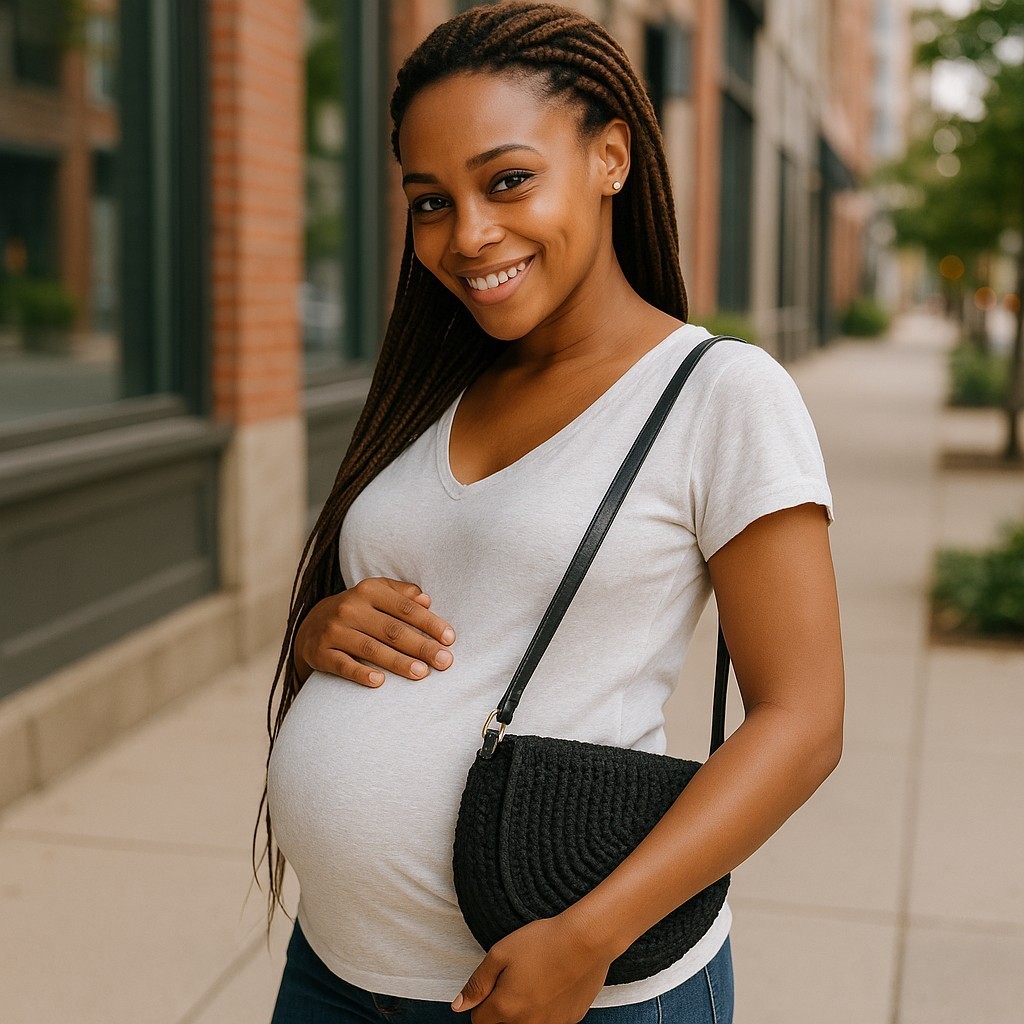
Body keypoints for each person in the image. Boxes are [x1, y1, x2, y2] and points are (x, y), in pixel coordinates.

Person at [257, 3, 845, 1022]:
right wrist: (319, 630)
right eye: (430, 201)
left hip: (563, 991)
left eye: (508, 179)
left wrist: (588, 938)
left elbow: (802, 722)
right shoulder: (432, 383)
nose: (468, 234)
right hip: (337, 969)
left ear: (610, 155)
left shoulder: (718, 393)